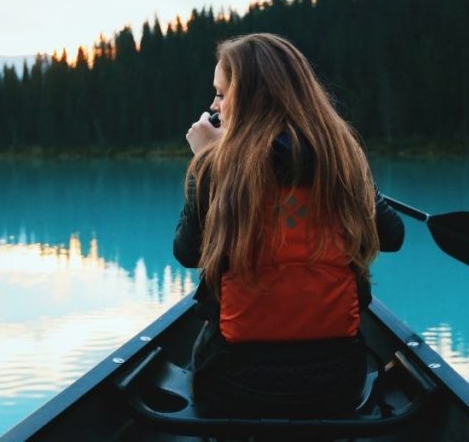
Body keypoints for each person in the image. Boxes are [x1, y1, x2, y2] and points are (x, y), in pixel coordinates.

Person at [173, 33, 404, 418]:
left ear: (248, 98)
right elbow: (392, 236)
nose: (214, 107)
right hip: (337, 381)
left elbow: (187, 253)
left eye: (221, 94)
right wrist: (359, 181)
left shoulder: (217, 165)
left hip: (235, 381)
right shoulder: (340, 155)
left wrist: (207, 161)